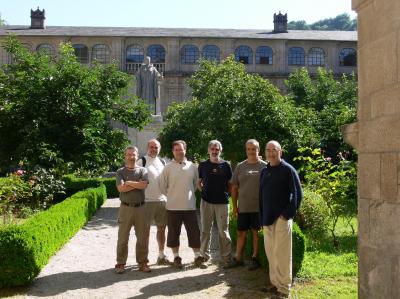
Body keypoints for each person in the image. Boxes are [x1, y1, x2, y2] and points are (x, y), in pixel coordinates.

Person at [259, 140, 302, 298]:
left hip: (282, 219)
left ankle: (284, 289)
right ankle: (275, 284)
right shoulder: (265, 171)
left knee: (282, 254)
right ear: (265, 152)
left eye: (274, 150)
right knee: (271, 253)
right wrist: (261, 216)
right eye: (268, 150)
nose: (271, 153)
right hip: (267, 218)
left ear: (280, 152)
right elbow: (261, 196)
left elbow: (298, 194)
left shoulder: (288, 170)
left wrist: (286, 215)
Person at [158, 140, 207, 269]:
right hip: (173, 207)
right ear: (173, 151)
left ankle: (197, 256)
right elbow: (162, 186)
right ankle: (176, 257)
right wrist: (172, 195)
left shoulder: (192, 167)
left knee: (194, 232)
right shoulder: (167, 167)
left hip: (189, 206)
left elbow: (196, 184)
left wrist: (187, 195)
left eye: (181, 149)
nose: (179, 152)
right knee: (174, 233)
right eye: (176, 150)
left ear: (185, 150)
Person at [227, 139, 267, 270]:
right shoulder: (240, 166)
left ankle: (255, 259)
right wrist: (234, 206)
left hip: (258, 208)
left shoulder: (265, 166)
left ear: (258, 150)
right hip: (243, 207)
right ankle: (238, 258)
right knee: (241, 233)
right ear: (246, 150)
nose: (251, 151)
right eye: (249, 149)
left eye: (254, 149)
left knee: (256, 233)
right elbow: (234, 187)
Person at [114, 146, 150, 274]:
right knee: (123, 238)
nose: (131, 156)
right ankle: (120, 264)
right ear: (125, 156)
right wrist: (136, 184)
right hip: (125, 208)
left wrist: (128, 182)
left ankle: (143, 262)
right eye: (128, 154)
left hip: (141, 208)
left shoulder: (143, 170)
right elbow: (121, 189)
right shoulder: (120, 172)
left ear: (137, 155)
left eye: (133, 154)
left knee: (142, 237)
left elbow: (143, 185)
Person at [198, 140, 233, 267]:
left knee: (223, 231)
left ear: (220, 150)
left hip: (222, 203)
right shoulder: (202, 165)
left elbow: (230, 185)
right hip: (206, 201)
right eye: (212, 149)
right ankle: (203, 256)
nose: (214, 151)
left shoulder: (226, 165)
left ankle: (226, 259)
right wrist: (204, 192)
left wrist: (223, 194)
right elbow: (199, 182)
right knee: (205, 230)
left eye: (217, 149)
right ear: (208, 150)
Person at [136, 139, 171, 265]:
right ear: (147, 148)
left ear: (159, 149)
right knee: (144, 232)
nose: (153, 149)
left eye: (156, 147)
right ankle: (143, 260)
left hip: (162, 201)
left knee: (162, 229)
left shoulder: (162, 162)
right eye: (151, 147)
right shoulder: (141, 161)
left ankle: (161, 256)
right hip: (146, 201)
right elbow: (136, 180)